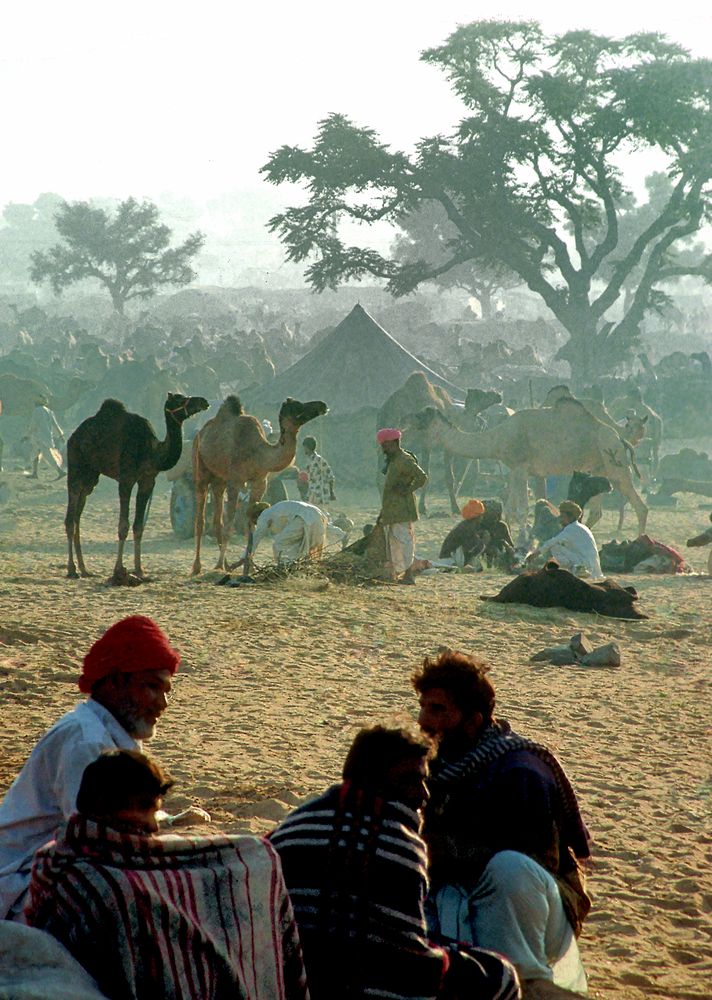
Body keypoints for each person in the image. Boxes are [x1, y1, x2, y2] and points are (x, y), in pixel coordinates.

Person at [26, 749, 308, 1000]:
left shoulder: (53, 859)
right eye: (145, 809)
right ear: (107, 806)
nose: (152, 826)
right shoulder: (100, 883)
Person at [269, 726, 520, 1000]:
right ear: (373, 780)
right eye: (411, 780)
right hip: (366, 979)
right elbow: (405, 954)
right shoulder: (399, 845)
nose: (423, 795)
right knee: (499, 975)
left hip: (293, 977)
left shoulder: (292, 826)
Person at [413, 650, 591, 995]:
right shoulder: (434, 765)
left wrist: (449, 851)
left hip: (534, 908)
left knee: (508, 868)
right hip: (455, 894)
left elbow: (537, 864)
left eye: (437, 710)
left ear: (473, 720)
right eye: (422, 707)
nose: (423, 720)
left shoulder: (519, 770)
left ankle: (525, 982)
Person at [0, 615, 179, 921]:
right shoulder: (85, 742)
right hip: (21, 881)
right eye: (151, 687)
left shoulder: (108, 733)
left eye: (166, 691)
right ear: (116, 682)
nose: (162, 703)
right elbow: (92, 839)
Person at [377, 427, 428, 585]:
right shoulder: (394, 460)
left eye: (385, 445)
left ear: (394, 443)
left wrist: (407, 490)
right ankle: (397, 574)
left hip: (403, 509)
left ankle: (409, 575)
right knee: (394, 543)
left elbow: (422, 477)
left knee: (404, 542)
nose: (384, 449)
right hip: (392, 508)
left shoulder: (405, 460)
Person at [251, 498, 345, 564]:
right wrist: (341, 535)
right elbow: (325, 527)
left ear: (256, 515)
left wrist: (247, 556)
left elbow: (257, 536)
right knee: (300, 545)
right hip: (316, 512)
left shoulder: (264, 514)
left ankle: (284, 567)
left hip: (301, 517)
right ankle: (344, 536)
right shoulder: (278, 508)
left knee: (279, 544)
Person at [528, 500, 604, 581]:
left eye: (562, 516)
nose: (560, 519)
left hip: (587, 567)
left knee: (555, 547)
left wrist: (534, 555)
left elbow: (551, 543)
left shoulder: (570, 529)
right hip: (593, 568)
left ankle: (576, 570)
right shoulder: (582, 527)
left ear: (570, 517)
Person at [439, 498, 516, 570]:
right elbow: (470, 550)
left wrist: (508, 547)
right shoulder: (471, 527)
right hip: (454, 559)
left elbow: (511, 546)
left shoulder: (501, 527)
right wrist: (485, 542)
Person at [26, 396, 65, 479]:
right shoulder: (49, 411)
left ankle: (60, 472)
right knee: (35, 454)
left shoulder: (37, 411)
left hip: (40, 437)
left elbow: (33, 425)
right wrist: (61, 435)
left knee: (48, 456)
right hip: (46, 437)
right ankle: (35, 473)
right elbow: (55, 425)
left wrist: (27, 435)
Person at [302, 435, 336, 507]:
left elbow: (330, 475)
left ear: (308, 447)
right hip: (312, 492)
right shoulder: (309, 461)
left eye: (305, 447)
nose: (304, 450)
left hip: (321, 494)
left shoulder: (318, 460)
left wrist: (331, 492)